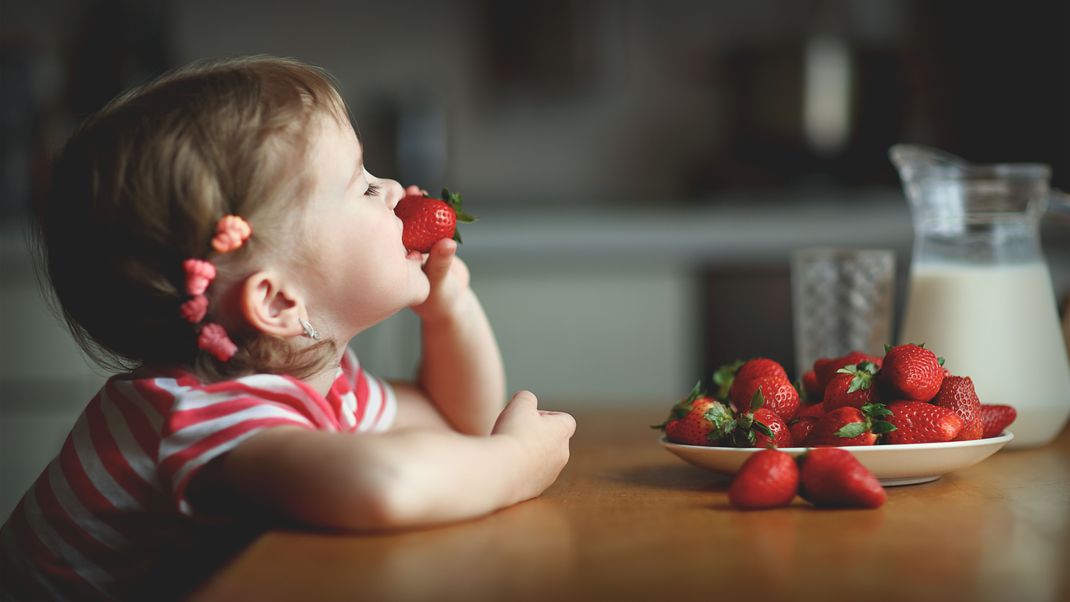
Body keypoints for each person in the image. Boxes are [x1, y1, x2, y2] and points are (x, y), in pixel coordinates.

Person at [0, 56, 576, 601]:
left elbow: (457, 420)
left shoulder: (317, 383)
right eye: (365, 186)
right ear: (277, 302)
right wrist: (516, 463)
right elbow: (384, 487)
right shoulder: (199, 415)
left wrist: (447, 310)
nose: (400, 190)